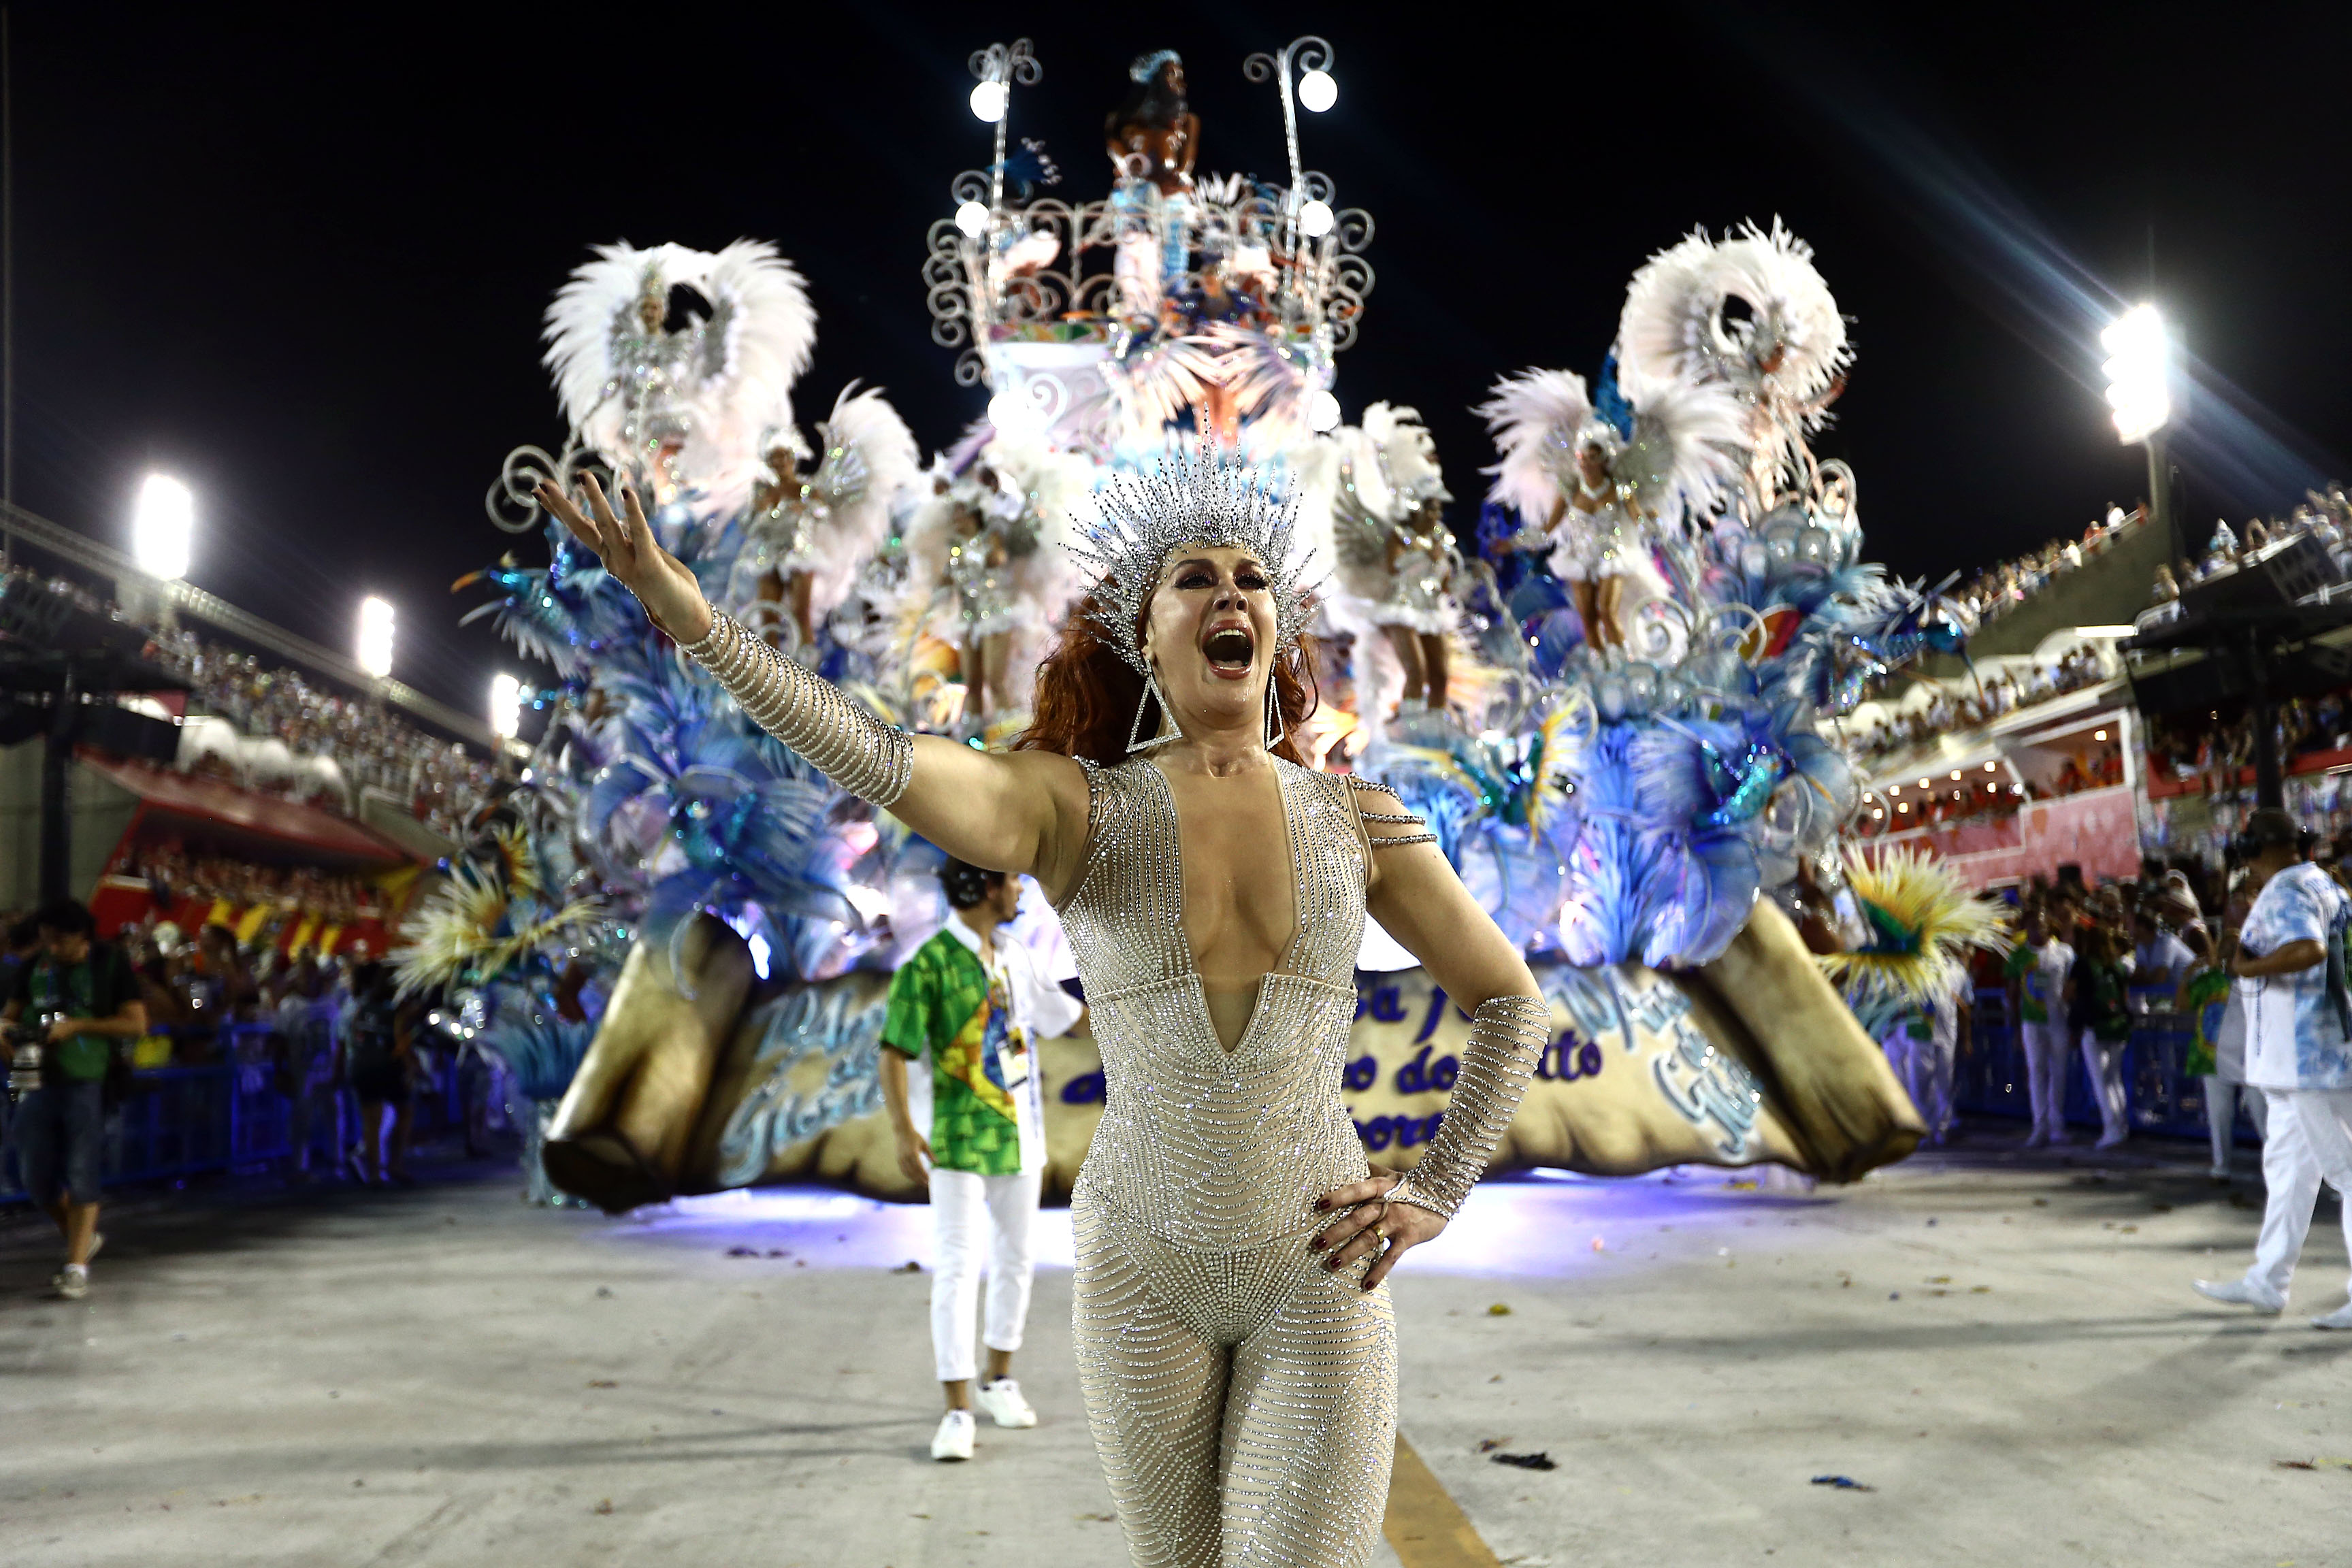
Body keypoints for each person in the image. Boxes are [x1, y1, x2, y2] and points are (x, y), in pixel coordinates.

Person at [543, 452, 1550, 1565]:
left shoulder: (1362, 820)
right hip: (1139, 1267)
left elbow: (1510, 1002)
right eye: (1194, 577)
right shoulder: (1077, 810)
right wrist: (702, 627)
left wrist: (1436, 1188)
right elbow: (882, 758)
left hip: (1317, 1266)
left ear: (1276, 626)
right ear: (1142, 630)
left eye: (1252, 578)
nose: (1229, 593)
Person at [880, 857, 1087, 1463]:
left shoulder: (1016, 956)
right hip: (954, 1138)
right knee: (956, 1267)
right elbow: (894, 1051)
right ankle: (956, 1410)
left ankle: (998, 1380)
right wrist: (902, 1133)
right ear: (986, 887)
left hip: (1020, 1136)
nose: (1021, 888)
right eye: (1013, 880)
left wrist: (1146, 1024)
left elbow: (1064, 1017)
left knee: (1018, 1260)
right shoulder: (927, 964)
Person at [2194, 808, 2352, 1327]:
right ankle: (2267, 1282)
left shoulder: (2286, 891)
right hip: (2307, 1057)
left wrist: (2248, 967)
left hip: (2311, 1059)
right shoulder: (2327, 885)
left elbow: (2308, 949)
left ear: (2258, 852)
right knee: (2289, 1173)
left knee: (2346, 1172)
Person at [2, 899, 146, 1301]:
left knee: (83, 1169)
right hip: (32, 1079)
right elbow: (10, 1015)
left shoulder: (110, 966)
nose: (52, 948)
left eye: (60, 940)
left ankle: (75, 1265)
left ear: (82, 936)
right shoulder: (35, 966)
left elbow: (136, 1023)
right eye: (46, 940)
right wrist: (5, 1030)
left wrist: (79, 1026)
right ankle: (81, 1238)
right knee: (34, 1174)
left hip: (88, 1080)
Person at [340, 962, 415, 1185]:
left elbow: (350, 1036)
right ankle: (395, 1164)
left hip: (362, 1066)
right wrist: (411, 1066)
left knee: (371, 1121)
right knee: (405, 1111)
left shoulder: (360, 1006)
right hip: (386, 1067)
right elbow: (401, 1042)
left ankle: (373, 1173)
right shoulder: (397, 1009)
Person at [2005, 908, 2075, 1147]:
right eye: (2034, 925)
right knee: (2036, 1072)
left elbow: (2072, 987)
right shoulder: (2018, 956)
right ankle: (2040, 1126)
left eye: (2043, 925)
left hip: (2059, 1021)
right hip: (2031, 1022)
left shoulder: (2064, 953)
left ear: (2050, 926)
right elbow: (2012, 994)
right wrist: (2015, 1026)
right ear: (2027, 929)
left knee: (2059, 1073)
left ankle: (2057, 1126)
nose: (2039, 930)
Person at [2068, 925, 2136, 1149]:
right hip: (2118, 1025)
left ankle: (2111, 1129)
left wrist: (2073, 1024)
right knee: (2115, 1079)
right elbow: (2125, 996)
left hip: (2093, 1026)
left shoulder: (2083, 964)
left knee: (2101, 1081)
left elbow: (2069, 993)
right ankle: (2122, 1126)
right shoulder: (2117, 965)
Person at [1886, 976, 1967, 1146]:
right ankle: (1924, 1130)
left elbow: (1962, 1002)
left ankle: (1942, 1130)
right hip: (1919, 1033)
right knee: (1921, 1085)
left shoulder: (1952, 970)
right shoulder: (1912, 969)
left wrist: (1966, 1035)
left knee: (1945, 1083)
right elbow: (1900, 1000)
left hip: (1945, 1034)